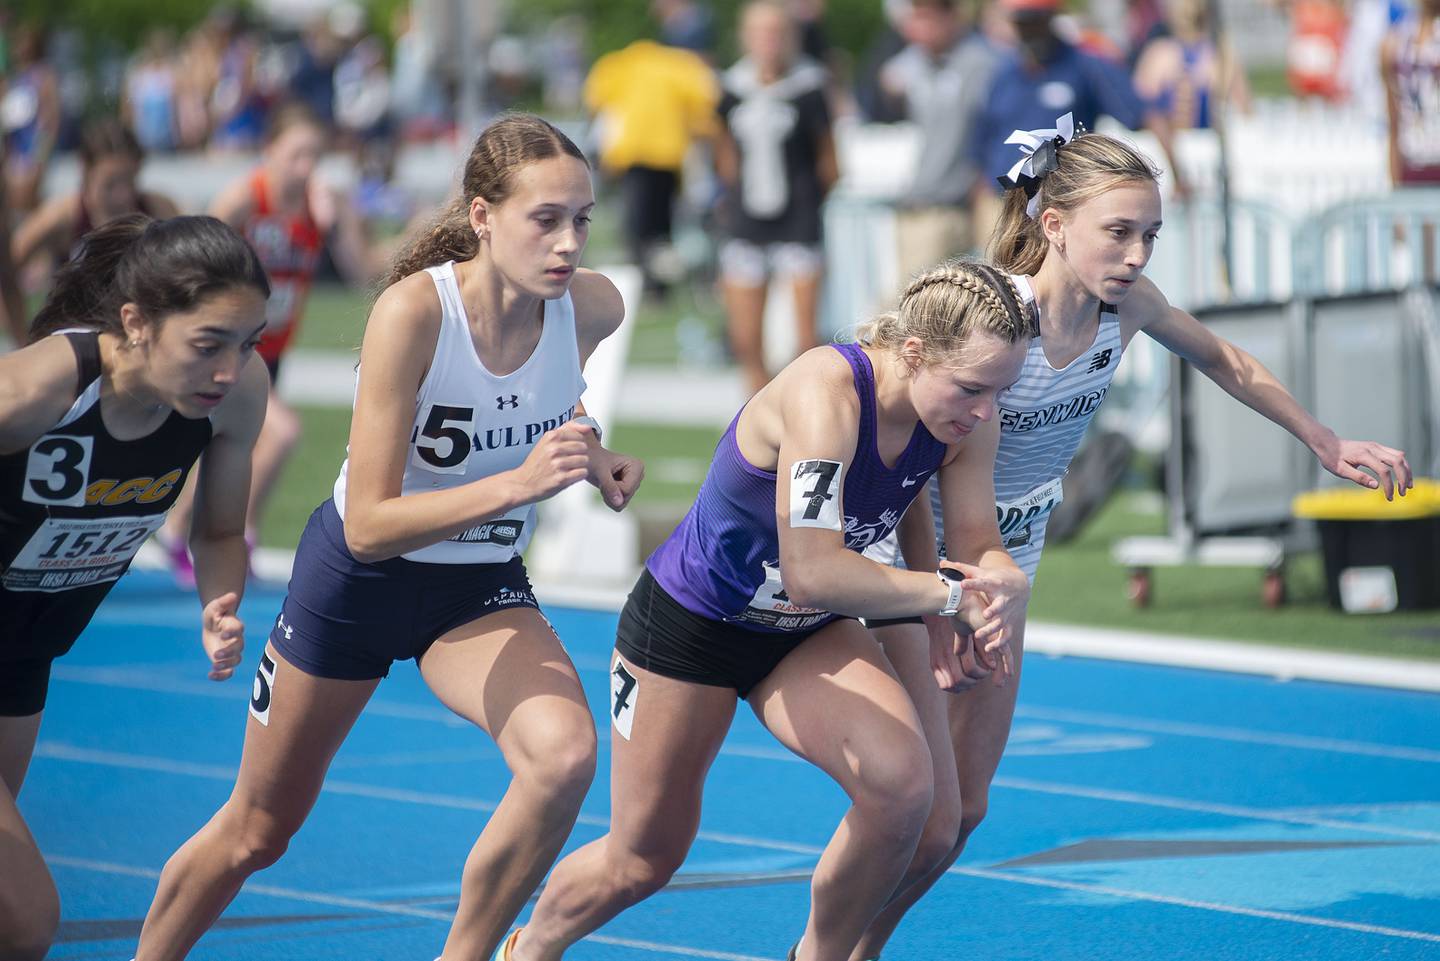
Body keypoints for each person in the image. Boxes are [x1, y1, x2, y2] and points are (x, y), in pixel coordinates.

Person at [848, 116, 1416, 961]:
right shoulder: (995, 314)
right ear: (1054, 225)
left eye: (1150, 233)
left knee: (963, 812)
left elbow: (1227, 360)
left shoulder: (1129, 307)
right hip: (924, 550)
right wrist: (937, 603)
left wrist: (1324, 440)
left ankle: (857, 949)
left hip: (1013, 558)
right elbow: (914, 445)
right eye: (1118, 232)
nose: (1139, 253)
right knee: (917, 806)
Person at [134, 112, 644, 961]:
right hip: (357, 583)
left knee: (562, 761)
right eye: (544, 219)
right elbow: (369, 525)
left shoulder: (591, 307)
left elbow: (542, 404)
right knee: (259, 830)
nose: (568, 243)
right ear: (482, 217)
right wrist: (517, 484)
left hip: (475, 580)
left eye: (582, 219)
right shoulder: (414, 313)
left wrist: (591, 452)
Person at [498, 259, 1035, 961]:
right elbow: (813, 569)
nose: (985, 410)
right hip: (691, 626)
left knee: (904, 790)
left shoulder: (966, 420)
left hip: (800, 632)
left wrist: (1000, 582)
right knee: (642, 857)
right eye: (971, 387)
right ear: (912, 353)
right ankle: (528, 946)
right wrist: (949, 597)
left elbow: (976, 544)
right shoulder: (826, 393)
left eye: (1000, 389)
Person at [0, 213, 270, 961]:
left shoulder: (235, 399)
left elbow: (217, 532)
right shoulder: (36, 390)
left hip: (22, 658)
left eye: (247, 344)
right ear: (137, 322)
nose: (229, 369)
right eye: (208, 344)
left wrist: (220, 600)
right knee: (23, 920)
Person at [158, 102, 374, 583]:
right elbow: (189, 258)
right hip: (234, 349)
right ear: (269, 150)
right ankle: (232, 539)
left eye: (314, 156)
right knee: (282, 432)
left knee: (228, 441)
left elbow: (363, 274)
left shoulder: (322, 207)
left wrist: (336, 223)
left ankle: (178, 532)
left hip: (275, 350)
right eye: (296, 154)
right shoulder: (245, 199)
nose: (305, 167)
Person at [716, 0, 837, 395]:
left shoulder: (810, 87)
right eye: (760, 32)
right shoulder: (732, 88)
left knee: (805, 340)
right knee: (747, 338)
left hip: (798, 219)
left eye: (777, 32)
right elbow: (724, 152)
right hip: (746, 221)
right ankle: (754, 422)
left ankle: (805, 411)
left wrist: (814, 199)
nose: (769, 41)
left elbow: (829, 159)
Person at [583, 33, 719, 298]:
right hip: (668, 154)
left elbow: (595, 101)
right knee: (661, 224)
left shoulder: (617, 65)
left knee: (638, 224)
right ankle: (657, 282)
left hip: (633, 155)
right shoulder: (679, 66)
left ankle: (647, 279)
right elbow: (704, 102)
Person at [878, 0, 1002, 283]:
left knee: (994, 293)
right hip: (926, 201)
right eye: (914, 18)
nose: (917, 28)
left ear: (951, 17)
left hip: (979, 198)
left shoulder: (983, 64)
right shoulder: (911, 62)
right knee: (913, 301)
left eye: (927, 17)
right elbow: (882, 88)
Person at [11, 118, 181, 278]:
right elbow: (8, 263)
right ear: (86, 172)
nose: (123, 196)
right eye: (110, 185)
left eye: (130, 182)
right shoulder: (63, 217)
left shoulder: (159, 212)